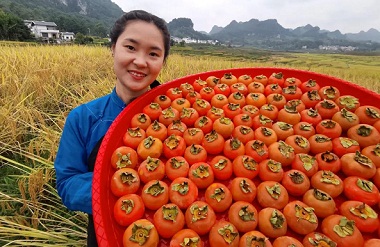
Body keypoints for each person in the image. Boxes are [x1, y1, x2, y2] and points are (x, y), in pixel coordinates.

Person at [54, 10, 171, 246]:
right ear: (113, 48)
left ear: (163, 61)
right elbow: (67, 184)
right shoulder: (83, 118)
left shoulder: (176, 114)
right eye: (130, 47)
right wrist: (125, 189)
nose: (140, 61)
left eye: (153, 53)